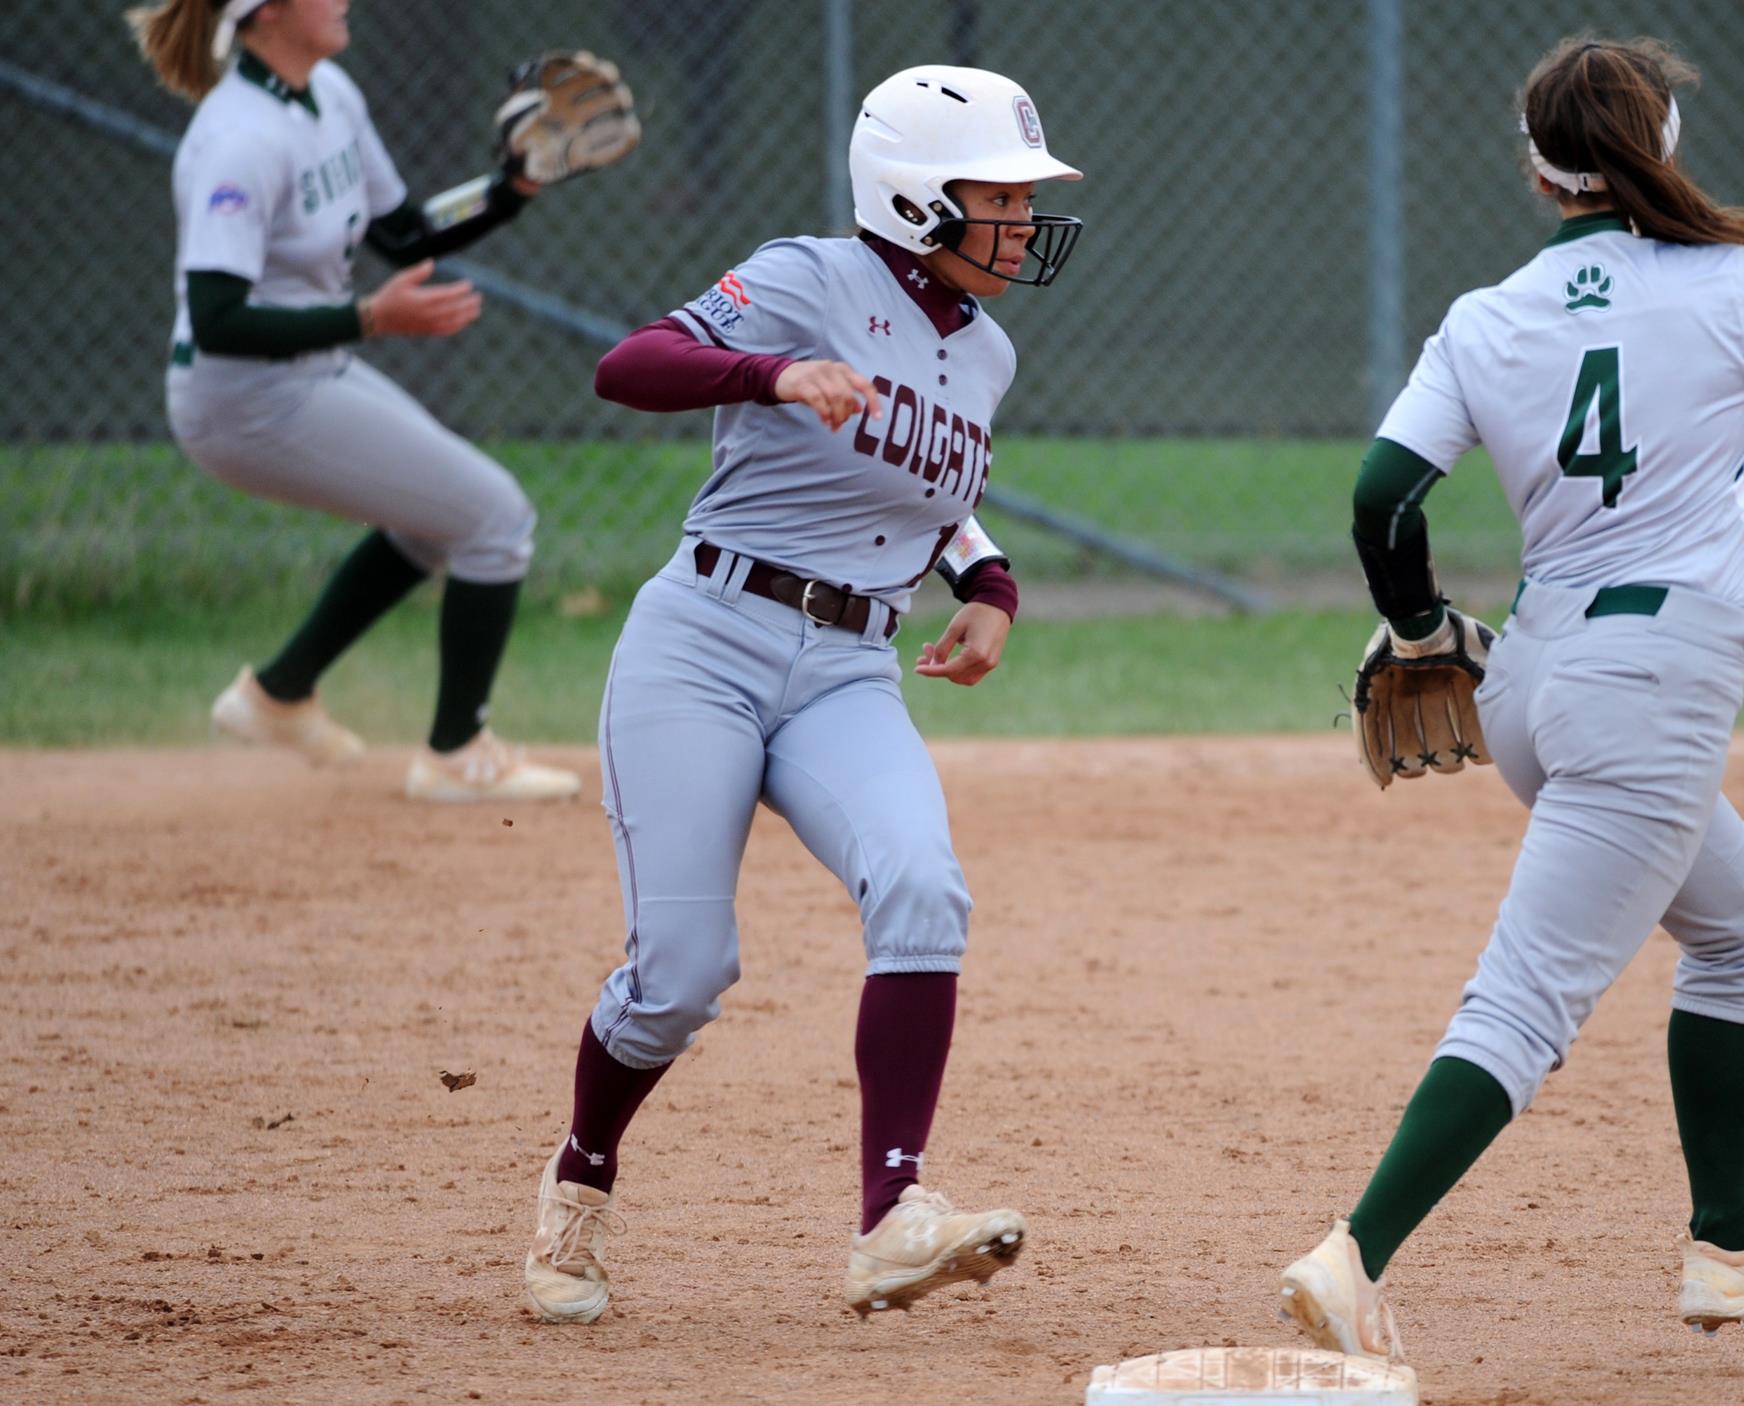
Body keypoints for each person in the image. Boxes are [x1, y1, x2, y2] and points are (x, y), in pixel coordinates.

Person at [1278, 35, 1744, 1360]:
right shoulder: (1740, 278)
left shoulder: (1486, 314)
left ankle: (1733, 1248)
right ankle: (1350, 1253)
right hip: (1650, 688)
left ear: (1539, 171)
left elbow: (1383, 497)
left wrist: (1420, 625)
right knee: (1525, 1001)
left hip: (1536, 682)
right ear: (1660, 148)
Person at [516, 64, 1084, 1326]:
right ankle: (580, 1179)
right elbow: (632, 362)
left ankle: (892, 1220)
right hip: (705, 640)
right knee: (681, 970)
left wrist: (988, 578)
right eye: (1001, 197)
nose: (1026, 224)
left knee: (924, 884)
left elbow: (923, 488)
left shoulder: (985, 348)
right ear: (917, 201)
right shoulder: (808, 277)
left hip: (846, 667)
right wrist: (768, 374)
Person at [131, 0, 611, 802]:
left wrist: (509, 187)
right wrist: (371, 317)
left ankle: (276, 695)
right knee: (497, 516)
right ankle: (457, 755)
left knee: (441, 519)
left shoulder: (330, 94)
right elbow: (216, 320)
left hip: (306, 370)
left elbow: (408, 230)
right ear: (268, 12)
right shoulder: (238, 138)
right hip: (241, 398)